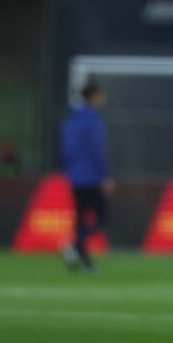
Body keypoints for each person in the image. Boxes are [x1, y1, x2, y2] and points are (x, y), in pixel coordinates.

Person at [60, 83, 115, 272]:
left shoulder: (71, 120)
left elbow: (65, 150)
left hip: (75, 177)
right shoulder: (93, 120)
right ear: (93, 96)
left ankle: (85, 262)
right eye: (101, 94)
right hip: (91, 177)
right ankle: (74, 246)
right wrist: (105, 175)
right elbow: (96, 151)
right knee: (102, 217)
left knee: (80, 218)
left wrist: (71, 171)